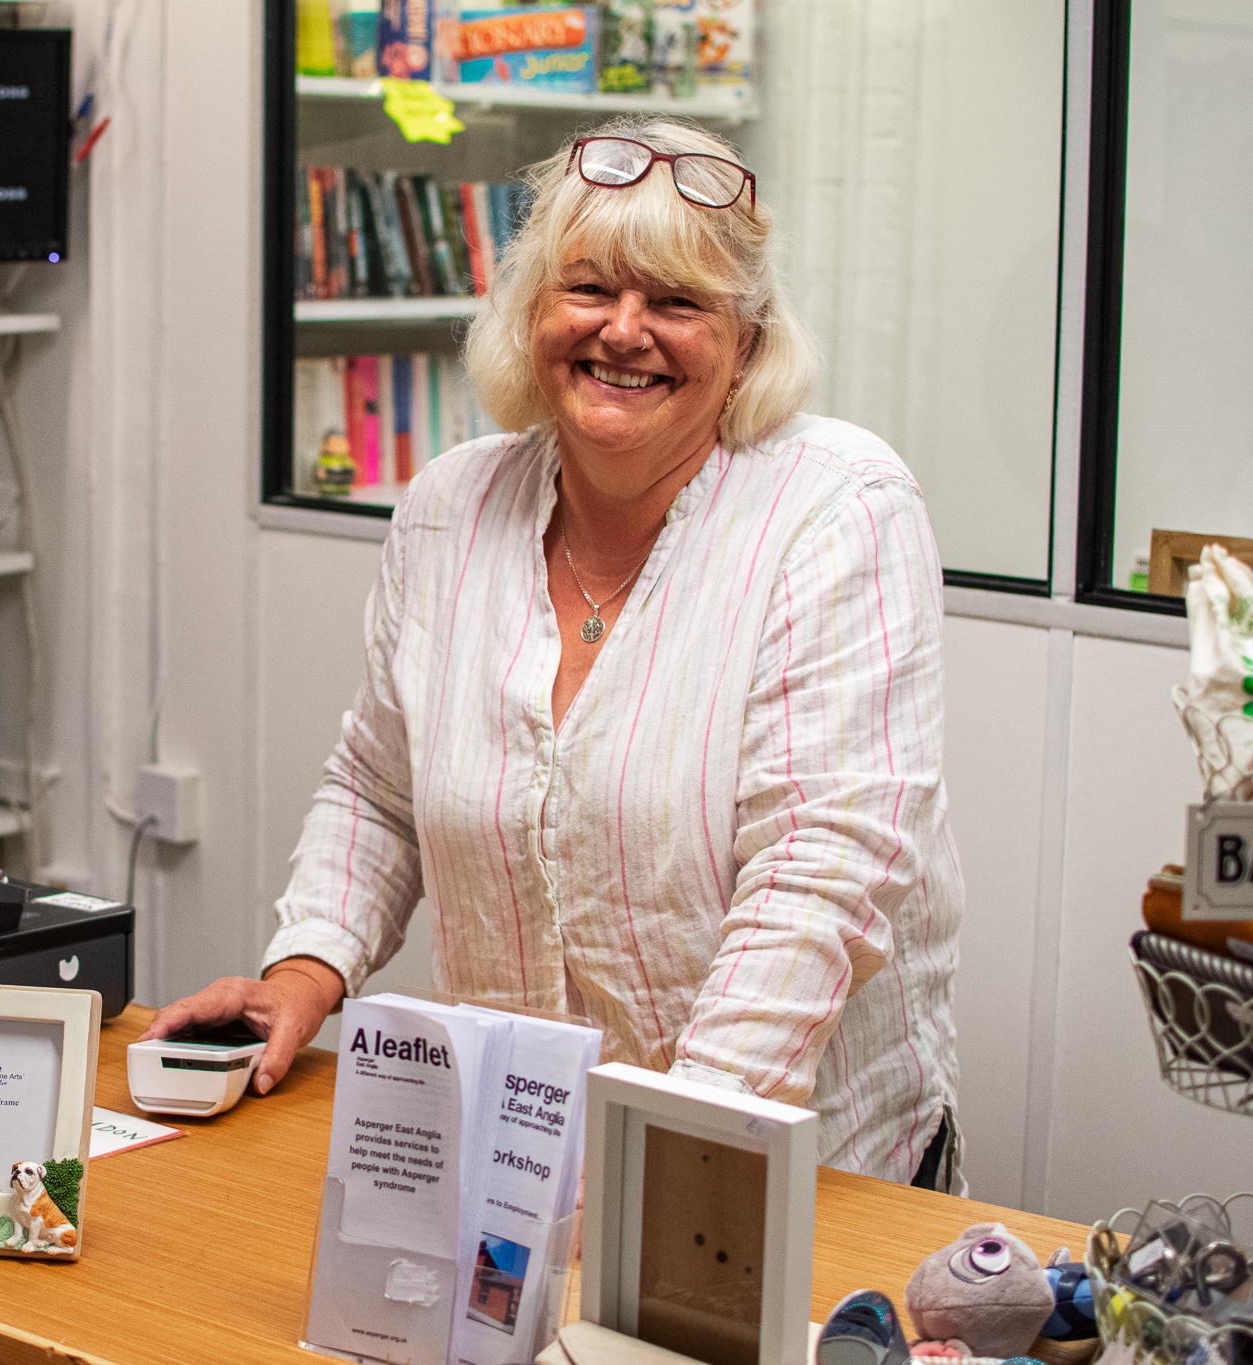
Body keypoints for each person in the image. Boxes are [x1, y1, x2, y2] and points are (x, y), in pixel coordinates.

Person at [146, 117, 964, 1188]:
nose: (624, 332)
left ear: (747, 343)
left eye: (675, 301)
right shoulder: (449, 508)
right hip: (517, 1159)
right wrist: (304, 969)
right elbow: (377, 789)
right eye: (587, 289)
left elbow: (817, 881)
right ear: (529, 312)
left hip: (783, 1168)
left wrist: (661, 1153)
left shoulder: (839, 510)